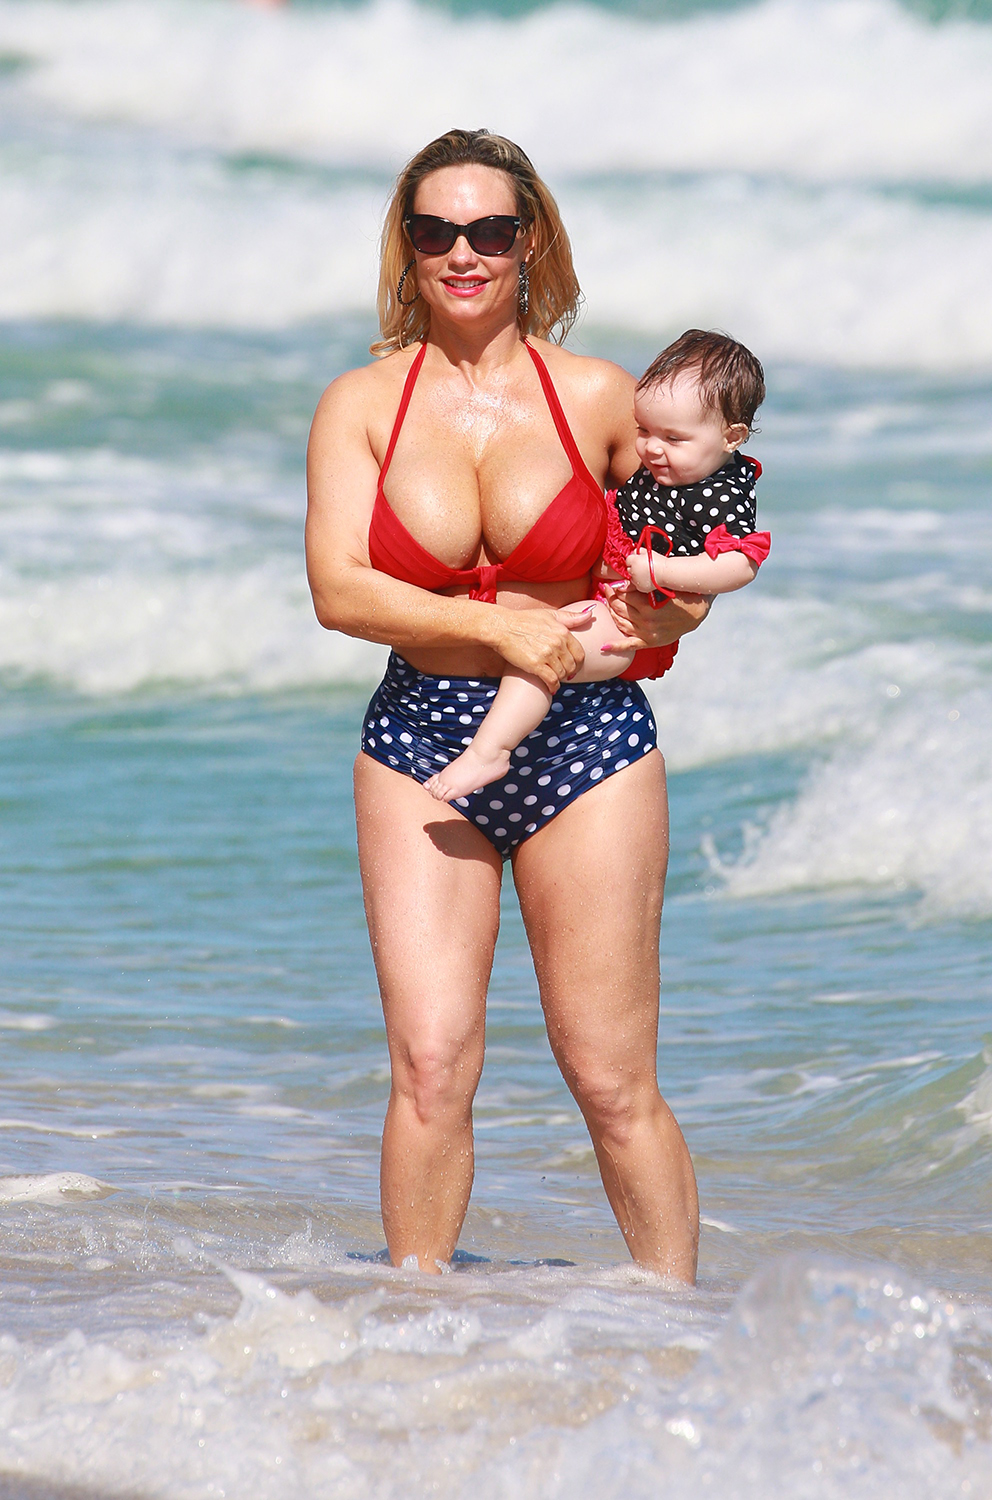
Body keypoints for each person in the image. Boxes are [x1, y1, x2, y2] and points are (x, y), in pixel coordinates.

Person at [305, 128, 707, 1282]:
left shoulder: (599, 398)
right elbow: (340, 589)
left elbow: (679, 581)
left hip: (586, 742)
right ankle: (417, 1335)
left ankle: (680, 1332)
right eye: (438, 231)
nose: (465, 253)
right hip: (419, 737)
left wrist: (652, 617)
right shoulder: (362, 404)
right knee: (430, 1064)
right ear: (409, 245)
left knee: (608, 1073)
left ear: (530, 241)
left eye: (491, 230)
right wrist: (495, 625)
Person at [423, 329, 770, 804]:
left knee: (545, 652)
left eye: (673, 437)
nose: (650, 449)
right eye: (643, 430)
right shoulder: (668, 468)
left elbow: (738, 566)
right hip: (603, 589)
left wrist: (663, 576)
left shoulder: (722, 493)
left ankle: (490, 751)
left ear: (732, 437)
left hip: (623, 613)